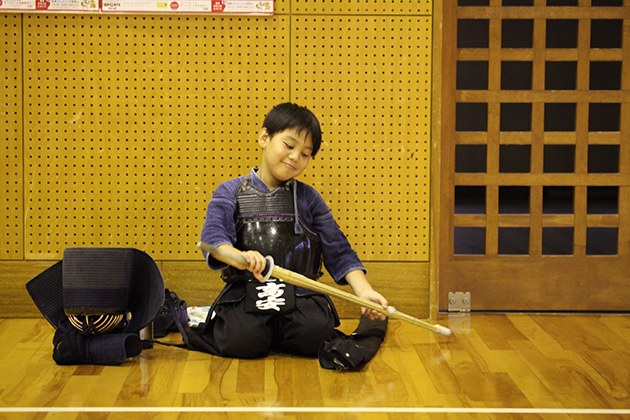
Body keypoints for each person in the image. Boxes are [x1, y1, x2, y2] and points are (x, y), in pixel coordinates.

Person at [187, 102, 389, 368]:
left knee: (315, 334)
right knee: (241, 339)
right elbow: (214, 242)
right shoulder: (229, 191)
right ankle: (263, 331)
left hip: (300, 295)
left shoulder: (309, 198)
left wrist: (364, 291)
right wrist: (239, 257)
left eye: (306, 154)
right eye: (289, 145)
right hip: (246, 291)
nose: (296, 157)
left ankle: (272, 331)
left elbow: (338, 249)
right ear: (264, 138)